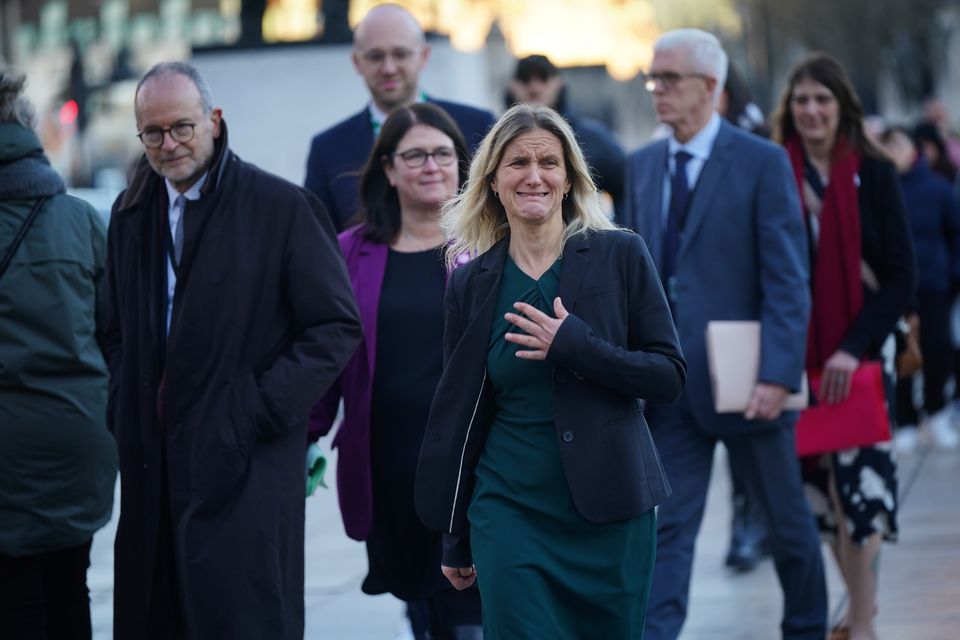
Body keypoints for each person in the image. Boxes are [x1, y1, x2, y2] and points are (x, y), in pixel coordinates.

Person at [103, 62, 361, 639]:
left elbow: (335, 327)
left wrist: (255, 410)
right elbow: (113, 330)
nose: (169, 144)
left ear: (214, 122)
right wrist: (124, 404)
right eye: (153, 133)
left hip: (245, 465)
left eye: (182, 127)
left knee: (241, 620)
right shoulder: (130, 215)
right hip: (152, 463)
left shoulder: (281, 208)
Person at [414, 103, 686, 638]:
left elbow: (668, 376)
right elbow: (463, 414)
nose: (533, 175)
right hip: (509, 508)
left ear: (569, 179)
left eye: (548, 162)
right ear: (493, 180)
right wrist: (454, 535)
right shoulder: (471, 284)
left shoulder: (621, 255)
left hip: (610, 510)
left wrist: (578, 346)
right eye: (517, 163)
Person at [620, 29, 827, 640]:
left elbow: (788, 279)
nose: (657, 89)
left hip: (750, 383)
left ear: (710, 87)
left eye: (670, 78)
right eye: (652, 78)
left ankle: (808, 629)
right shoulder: (643, 163)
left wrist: (778, 374)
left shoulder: (761, 161)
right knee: (666, 531)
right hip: (670, 386)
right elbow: (637, 275)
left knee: (788, 528)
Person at [308, 103, 482, 640]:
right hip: (389, 464)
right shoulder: (348, 252)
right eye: (414, 155)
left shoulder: (489, 246)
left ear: (462, 164)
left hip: (475, 461)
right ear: (388, 168)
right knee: (423, 606)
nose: (431, 165)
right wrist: (298, 434)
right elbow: (326, 355)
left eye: (442, 153)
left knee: (470, 609)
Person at [772, 53, 916, 640]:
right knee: (817, 492)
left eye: (822, 99)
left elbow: (902, 276)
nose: (811, 110)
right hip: (798, 352)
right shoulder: (774, 169)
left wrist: (853, 347)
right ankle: (860, 608)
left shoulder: (874, 173)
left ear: (842, 107)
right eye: (802, 99)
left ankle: (860, 622)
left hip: (860, 354)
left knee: (858, 485)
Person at [0, 69, 118, 640]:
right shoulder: (77, 219)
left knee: (14, 598)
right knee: (69, 585)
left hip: (8, 458)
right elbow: (112, 334)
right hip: (77, 445)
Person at [305, 3, 495, 231]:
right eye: (375, 57)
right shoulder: (328, 149)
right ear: (357, 62)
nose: (388, 68)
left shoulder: (478, 126)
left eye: (400, 54)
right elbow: (318, 240)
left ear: (424, 56)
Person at [717, 61, 772, 573]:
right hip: (703, 322)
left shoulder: (756, 144)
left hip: (751, 319)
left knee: (754, 440)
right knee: (738, 441)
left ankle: (758, 525)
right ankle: (750, 524)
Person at [880, 125, 960, 451]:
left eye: (899, 145)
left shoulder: (939, 189)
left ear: (915, 151)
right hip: (896, 289)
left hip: (934, 285)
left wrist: (953, 273)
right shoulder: (880, 189)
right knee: (901, 353)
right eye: (888, 146)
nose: (893, 152)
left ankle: (937, 412)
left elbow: (955, 235)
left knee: (938, 349)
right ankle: (906, 421)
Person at [506, 54, 626, 215]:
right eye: (525, 78)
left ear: (558, 83)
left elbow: (627, 190)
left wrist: (615, 236)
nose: (534, 87)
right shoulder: (495, 141)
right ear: (513, 85)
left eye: (543, 77)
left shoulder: (594, 140)